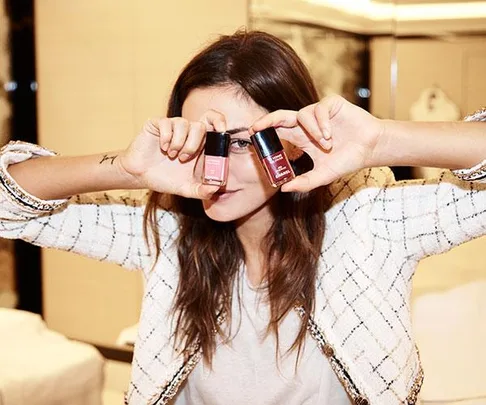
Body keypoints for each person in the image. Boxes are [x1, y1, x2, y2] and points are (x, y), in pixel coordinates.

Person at [0, 30, 485, 405]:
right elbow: (9, 207)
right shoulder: (168, 229)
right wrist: (128, 168)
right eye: (202, 140)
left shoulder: (366, 221)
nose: (215, 169)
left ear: (290, 140)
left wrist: (382, 141)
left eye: (240, 142)